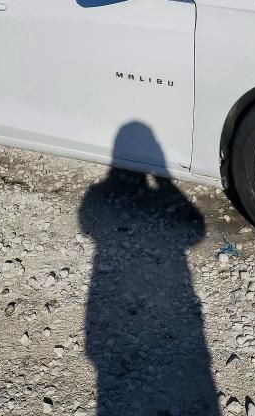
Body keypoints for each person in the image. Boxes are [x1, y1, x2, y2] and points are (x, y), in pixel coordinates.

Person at [78, 122, 220, 416]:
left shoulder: (96, 194)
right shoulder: (108, 195)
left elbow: (87, 225)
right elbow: (196, 233)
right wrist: (166, 184)